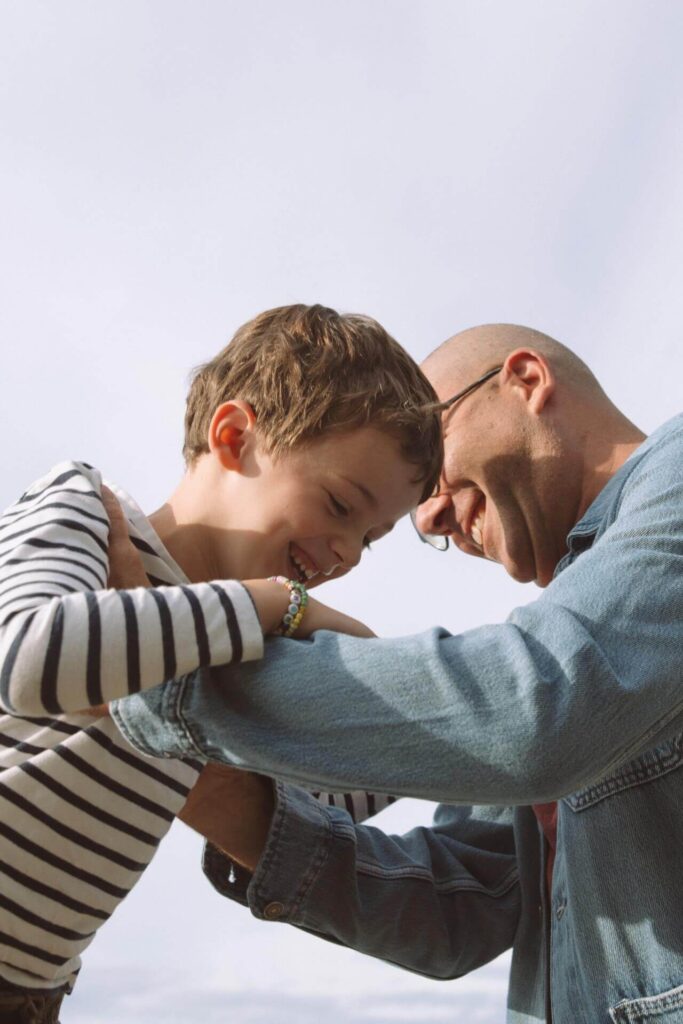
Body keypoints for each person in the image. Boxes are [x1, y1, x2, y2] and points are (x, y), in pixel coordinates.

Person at [111, 324, 683, 1024]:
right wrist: (208, 780)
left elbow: (535, 714)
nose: (432, 515)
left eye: (433, 462)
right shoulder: (583, 622)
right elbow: (461, 906)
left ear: (526, 381)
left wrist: (146, 670)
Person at [0, 303, 442, 1021]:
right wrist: (276, 604)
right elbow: (25, 659)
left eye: (371, 538)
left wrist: (331, 651)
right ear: (234, 437)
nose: (348, 554)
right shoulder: (85, 505)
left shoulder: (241, 650)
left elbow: (352, 786)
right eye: (338, 505)